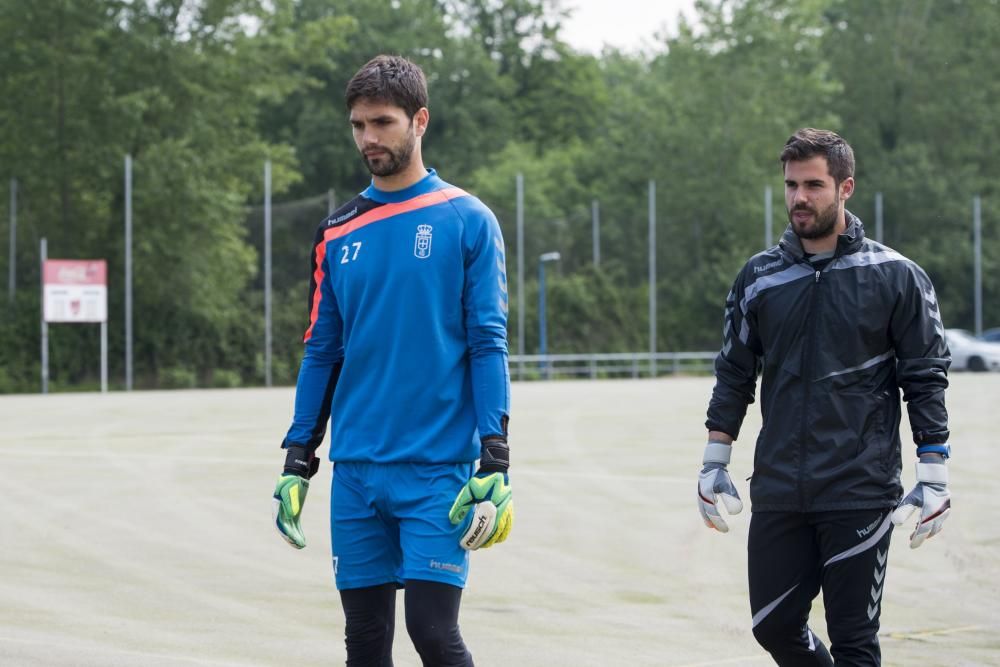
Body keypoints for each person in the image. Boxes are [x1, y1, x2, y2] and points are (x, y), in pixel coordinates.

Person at [271, 54, 513, 667]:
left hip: (437, 471)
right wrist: (299, 457)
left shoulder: (468, 220)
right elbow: (322, 351)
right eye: (358, 124)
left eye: (381, 122)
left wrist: (496, 455)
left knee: (433, 633)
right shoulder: (335, 232)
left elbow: (488, 342)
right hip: (355, 472)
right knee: (365, 643)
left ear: (419, 120)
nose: (368, 138)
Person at [696, 128, 952, 666]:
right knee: (774, 628)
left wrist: (934, 472)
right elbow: (734, 372)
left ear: (846, 187)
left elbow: (925, 375)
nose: (799, 198)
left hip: (860, 487)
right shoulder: (759, 277)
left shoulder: (896, 276)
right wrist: (714, 459)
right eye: (791, 185)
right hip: (780, 486)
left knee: (855, 643)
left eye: (813, 184)